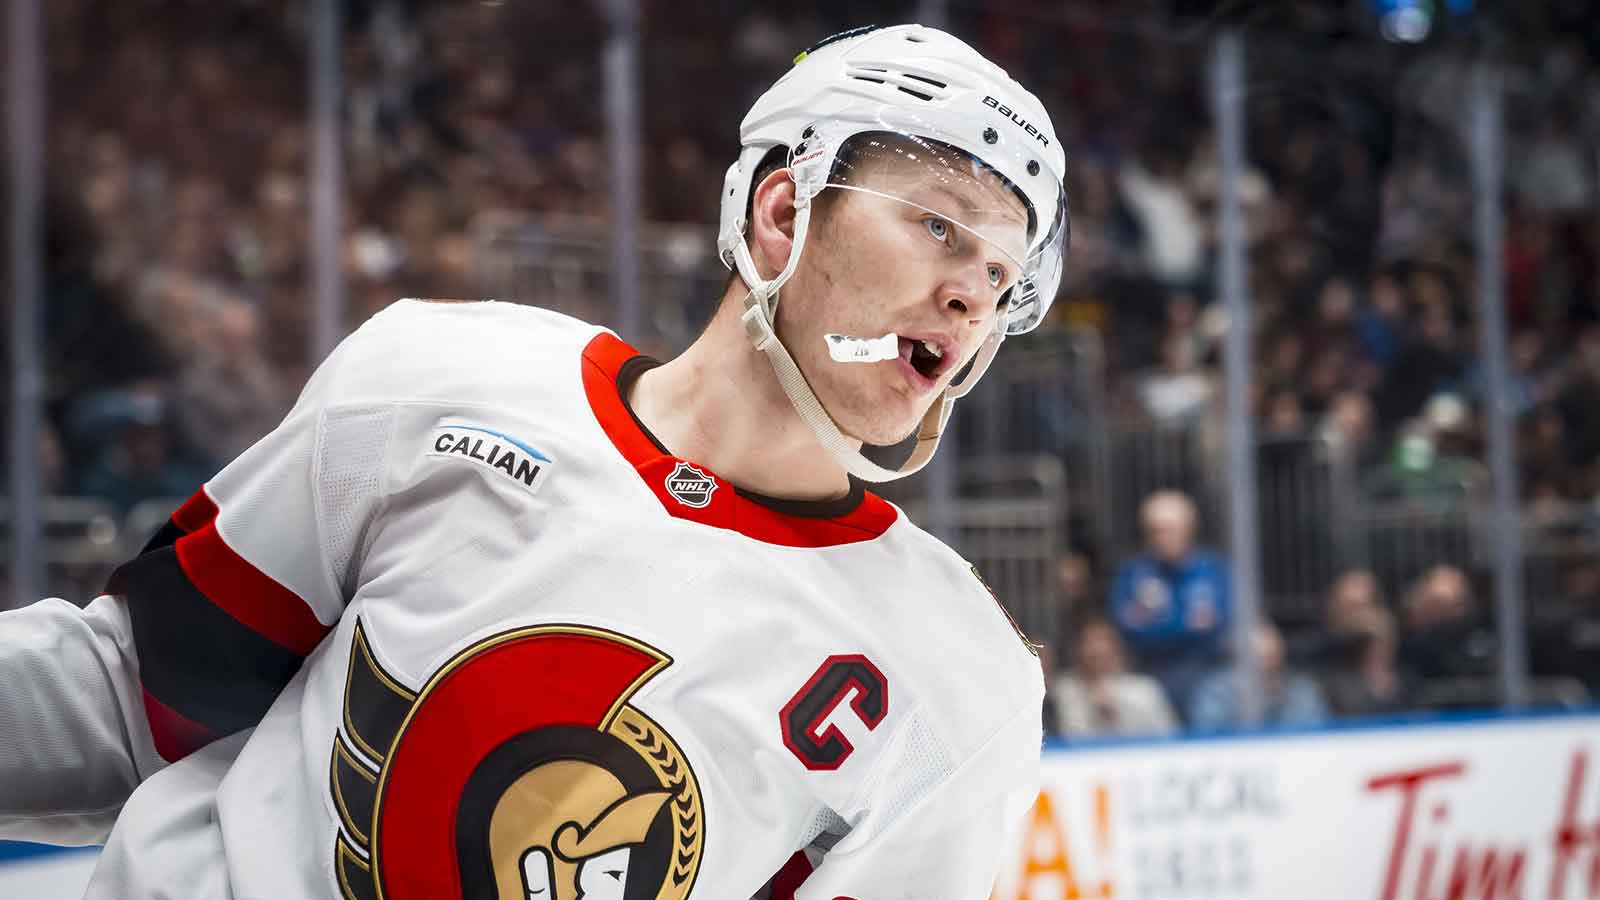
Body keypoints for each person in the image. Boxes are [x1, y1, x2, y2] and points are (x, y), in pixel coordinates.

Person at [0, 24, 1069, 900]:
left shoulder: (957, 691)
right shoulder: (446, 377)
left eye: (1000, 271)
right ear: (783, 211)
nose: (973, 295)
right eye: (938, 227)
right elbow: (134, 698)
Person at [1109, 490, 1232, 715]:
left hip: (1207, 671)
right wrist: (1188, 625)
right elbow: (1128, 629)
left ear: (1189, 528)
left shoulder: (1214, 570)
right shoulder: (1132, 574)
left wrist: (1158, 624)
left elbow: (1222, 625)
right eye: (1155, 531)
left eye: (1170, 529)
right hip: (1147, 672)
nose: (1162, 537)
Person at [1188, 620, 1331, 732]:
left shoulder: (1302, 690)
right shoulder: (1216, 691)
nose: (1264, 649)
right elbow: (1210, 741)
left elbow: (1315, 737)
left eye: (1270, 637)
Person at [1053, 616, 1178, 739]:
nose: (1097, 650)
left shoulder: (1145, 689)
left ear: (1117, 650)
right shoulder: (1065, 689)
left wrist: (1116, 712)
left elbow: (1169, 737)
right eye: (1090, 645)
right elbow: (1067, 740)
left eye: (1103, 644)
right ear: (1078, 650)